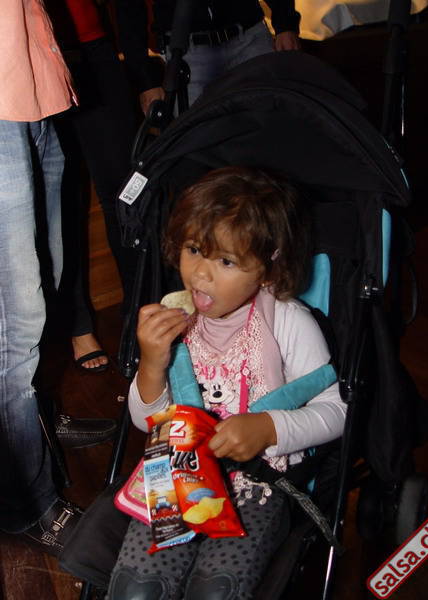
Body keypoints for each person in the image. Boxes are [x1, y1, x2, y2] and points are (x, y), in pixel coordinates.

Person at [107, 166, 346, 599]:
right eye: (194, 250)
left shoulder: (287, 322)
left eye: (226, 261)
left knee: (215, 591)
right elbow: (147, 423)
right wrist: (152, 363)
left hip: (257, 486)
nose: (201, 273)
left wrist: (269, 428)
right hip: (175, 477)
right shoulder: (173, 321)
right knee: (136, 588)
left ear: (268, 270)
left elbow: (337, 410)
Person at [0, 0, 115, 556]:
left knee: (46, 283)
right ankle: (26, 503)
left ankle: (36, 424)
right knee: (13, 327)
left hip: (34, 87)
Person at [46, 0, 138, 371]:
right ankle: (78, 325)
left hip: (95, 49)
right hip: (45, 55)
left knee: (127, 195)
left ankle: (139, 308)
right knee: (64, 203)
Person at [114, 0, 301, 113]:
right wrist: (146, 81)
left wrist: (286, 23)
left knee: (274, 127)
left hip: (249, 39)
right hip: (188, 54)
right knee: (199, 146)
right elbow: (128, 8)